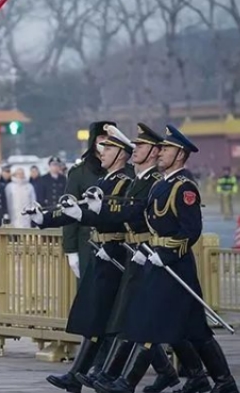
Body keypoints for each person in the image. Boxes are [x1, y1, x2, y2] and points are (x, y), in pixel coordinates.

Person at [94, 125, 238, 393]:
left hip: (175, 266)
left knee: (153, 321)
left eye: (167, 149)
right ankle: (217, 380)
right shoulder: (162, 184)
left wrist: (167, 252)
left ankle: (127, 383)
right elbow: (141, 212)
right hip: (156, 261)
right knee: (193, 329)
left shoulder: (184, 186)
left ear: (181, 155)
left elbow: (190, 230)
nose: (161, 153)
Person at [72, 124, 181, 393]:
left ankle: (115, 376)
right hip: (136, 256)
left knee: (156, 320)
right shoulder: (137, 181)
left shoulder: (157, 183)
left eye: (142, 147)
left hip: (152, 256)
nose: (136, 151)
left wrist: (163, 251)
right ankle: (114, 375)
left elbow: (139, 214)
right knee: (135, 318)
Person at [25, 124, 133, 393]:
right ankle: (80, 375)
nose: (102, 151)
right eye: (102, 145)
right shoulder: (105, 179)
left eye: (107, 147)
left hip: (119, 254)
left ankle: (107, 373)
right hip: (101, 254)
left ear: (120, 153)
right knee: (98, 318)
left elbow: (119, 215)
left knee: (122, 322)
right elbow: (79, 211)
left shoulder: (127, 181)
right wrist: (44, 219)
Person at [62, 121, 111, 282]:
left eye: (109, 138)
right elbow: (69, 209)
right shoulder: (79, 173)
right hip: (88, 243)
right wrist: (71, 250)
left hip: (118, 243)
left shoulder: (127, 171)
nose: (105, 142)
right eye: (102, 137)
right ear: (93, 141)